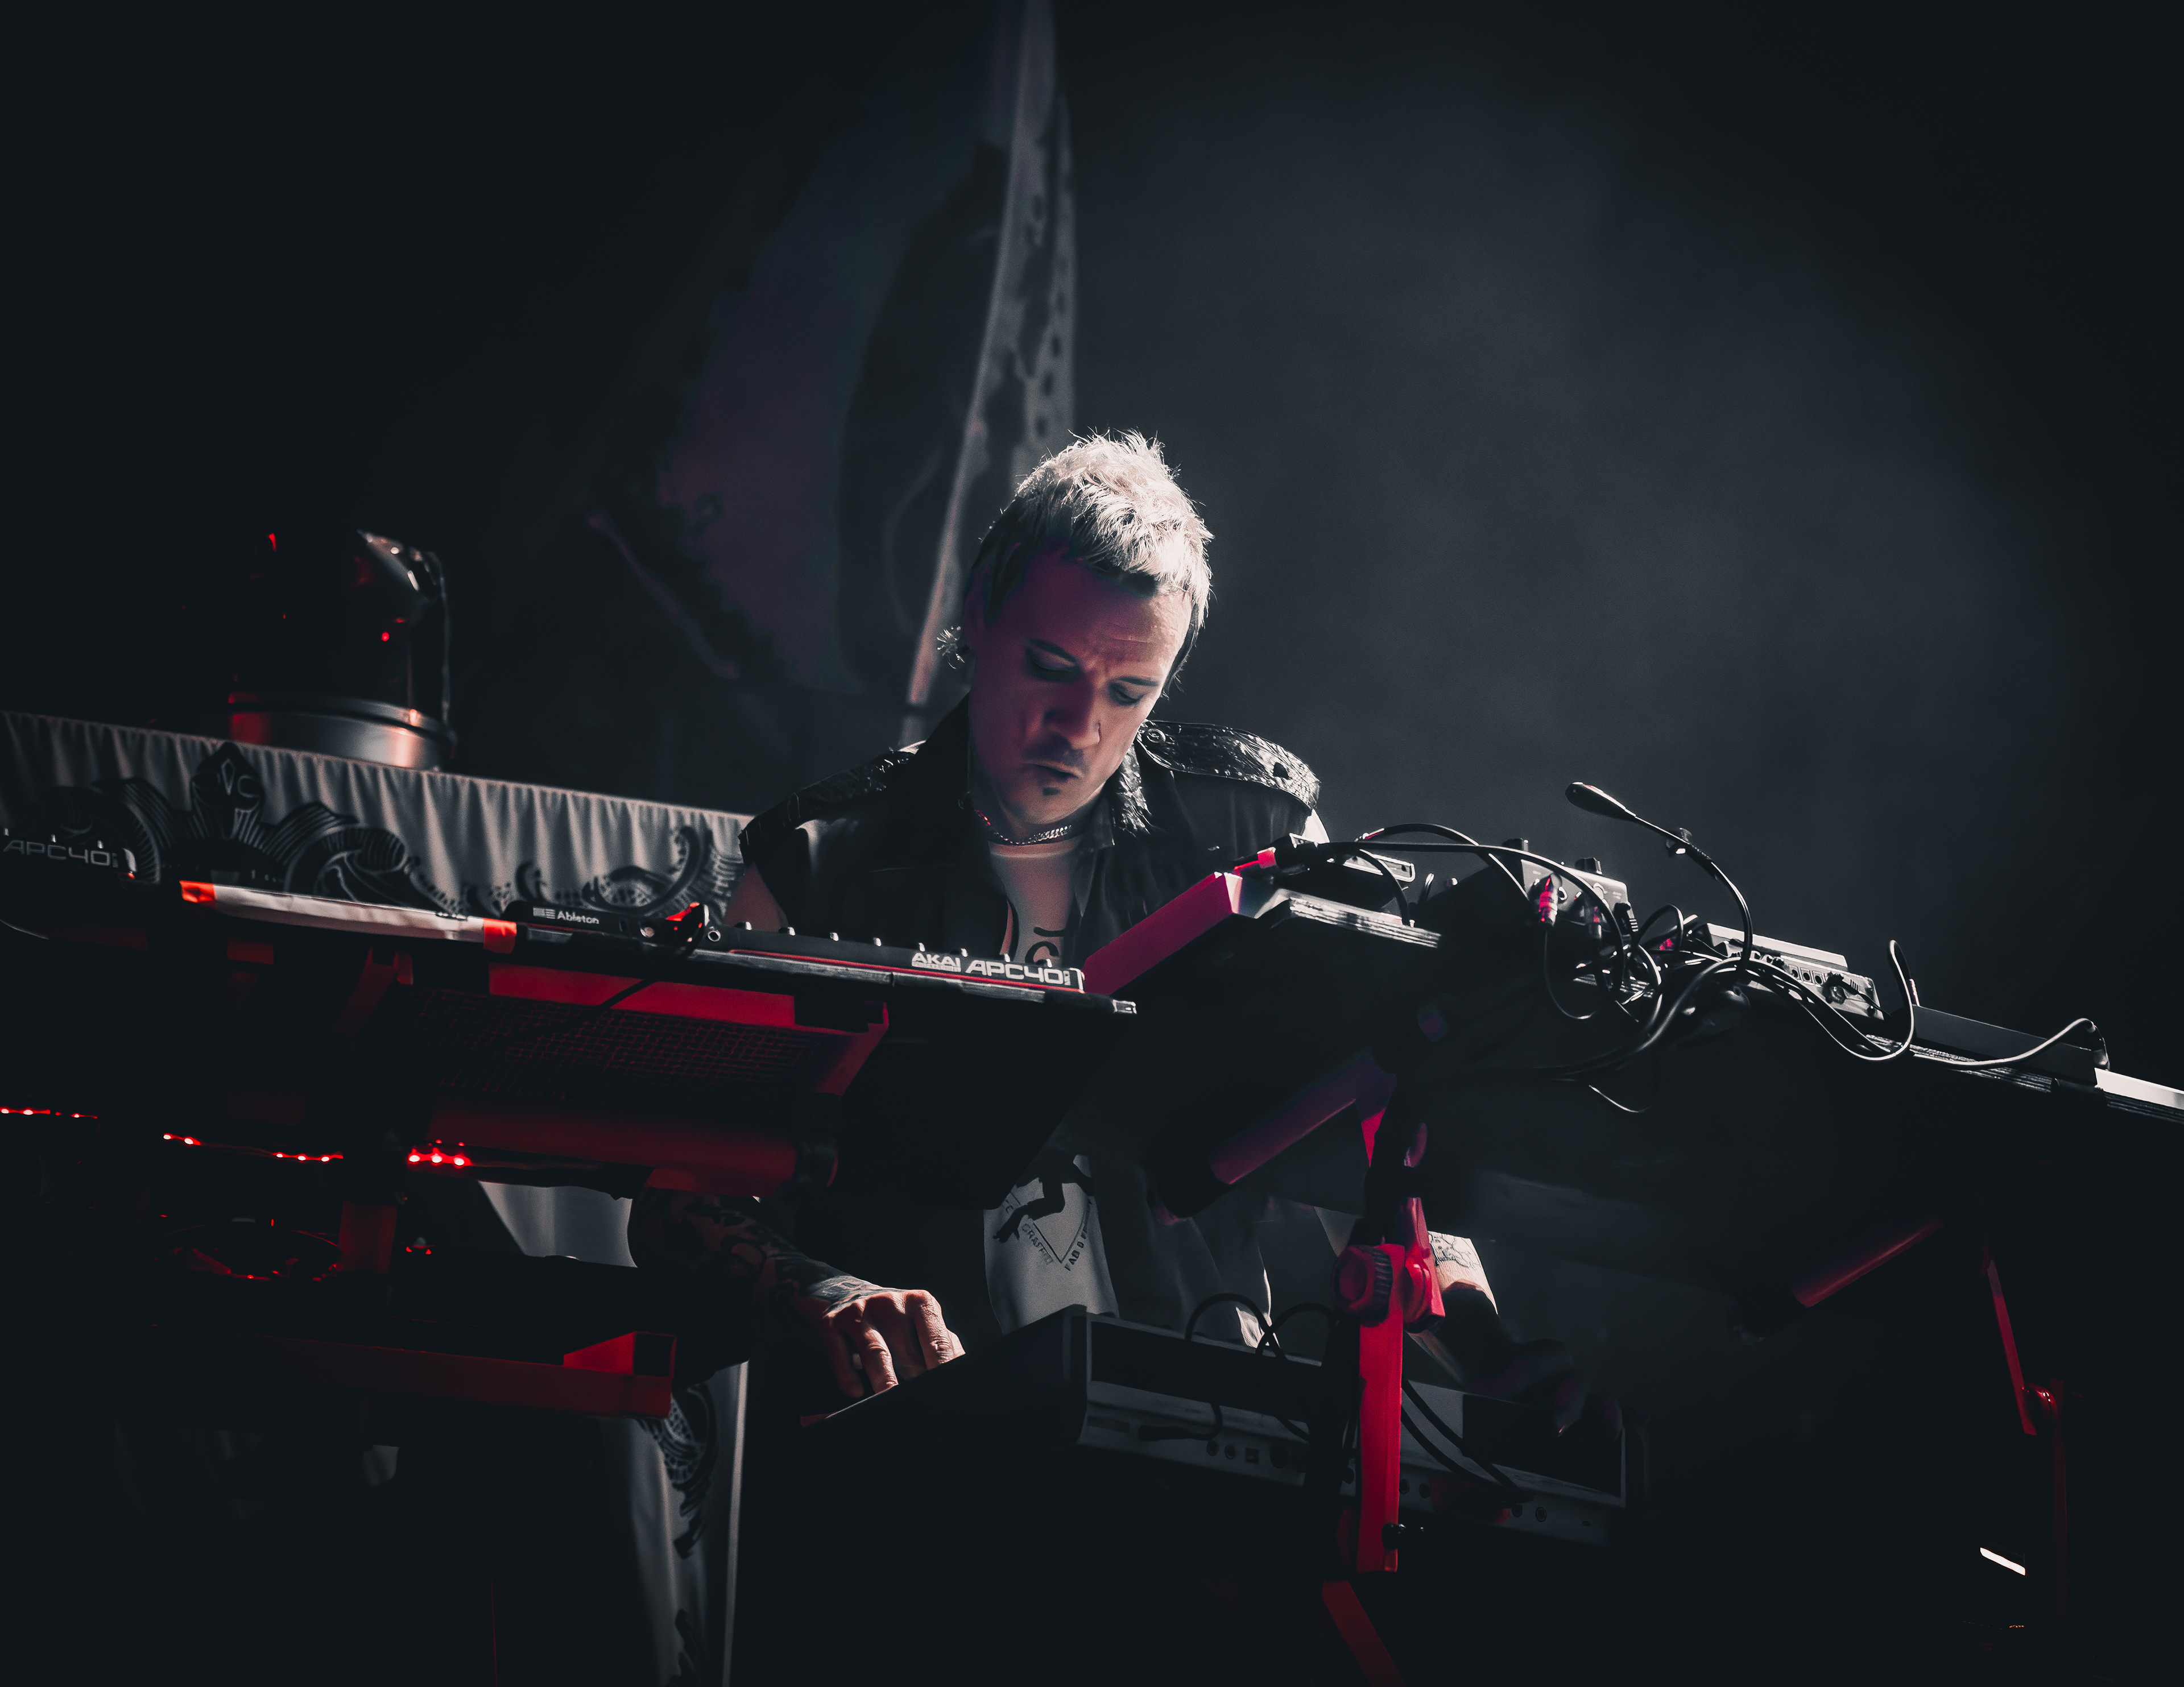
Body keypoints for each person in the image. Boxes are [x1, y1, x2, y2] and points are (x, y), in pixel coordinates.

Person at [633, 432, 1508, 1395]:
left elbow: (1365, 1134)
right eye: (1050, 665)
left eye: (1129, 692)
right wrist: (826, 1291)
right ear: (979, 611)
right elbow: (678, 1196)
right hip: (914, 1427)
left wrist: (1482, 1342)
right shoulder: (812, 865)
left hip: (1198, 1419)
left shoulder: (1258, 834)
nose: (1081, 726)